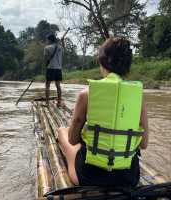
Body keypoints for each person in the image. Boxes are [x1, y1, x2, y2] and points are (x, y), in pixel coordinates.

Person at [58, 37, 149, 187]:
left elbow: (73, 139)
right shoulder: (138, 97)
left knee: (62, 132)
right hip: (128, 178)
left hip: (90, 178)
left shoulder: (86, 94)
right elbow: (144, 144)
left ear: (102, 62)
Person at [44, 31, 67, 107]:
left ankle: (47, 103)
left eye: (47, 40)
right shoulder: (60, 47)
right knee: (58, 85)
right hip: (58, 69)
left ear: (50, 40)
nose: (47, 41)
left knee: (47, 85)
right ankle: (59, 102)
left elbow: (46, 59)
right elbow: (64, 49)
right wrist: (63, 41)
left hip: (50, 68)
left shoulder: (47, 48)